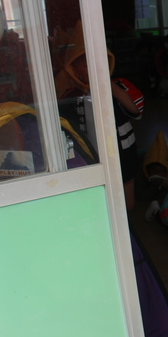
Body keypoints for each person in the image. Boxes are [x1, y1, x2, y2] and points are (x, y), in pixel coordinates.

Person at [54, 21, 143, 210]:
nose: (93, 68)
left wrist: (107, 85)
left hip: (122, 152)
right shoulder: (70, 95)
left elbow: (136, 109)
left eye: (98, 63)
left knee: (127, 202)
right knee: (99, 200)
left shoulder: (120, 85)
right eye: (86, 66)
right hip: (88, 154)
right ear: (74, 69)